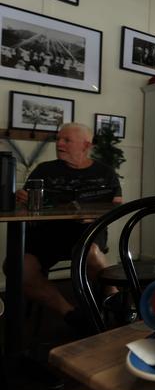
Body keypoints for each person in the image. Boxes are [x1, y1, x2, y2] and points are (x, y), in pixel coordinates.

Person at [2, 123, 122, 334]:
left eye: (66, 140)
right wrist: (23, 200)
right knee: (16, 266)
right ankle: (71, 314)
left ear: (85, 145)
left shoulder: (106, 173)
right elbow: (26, 207)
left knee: (91, 252)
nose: (59, 144)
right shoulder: (44, 170)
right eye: (59, 139)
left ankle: (113, 299)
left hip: (88, 233)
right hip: (47, 235)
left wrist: (96, 215)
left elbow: (116, 207)